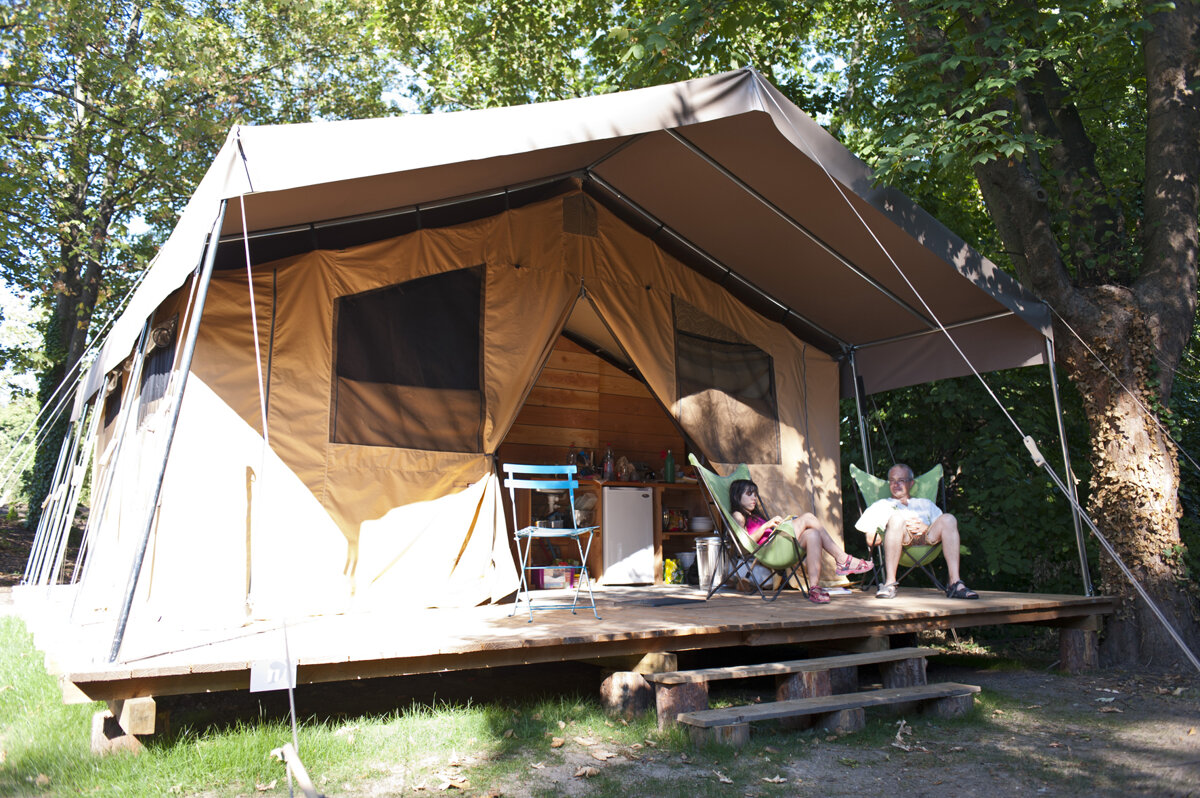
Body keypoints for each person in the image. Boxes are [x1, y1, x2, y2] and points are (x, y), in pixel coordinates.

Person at [729, 479, 872, 604]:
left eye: (755, 494)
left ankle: (814, 588)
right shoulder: (738, 515)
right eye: (749, 494)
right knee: (809, 517)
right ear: (737, 496)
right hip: (770, 552)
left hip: (778, 547)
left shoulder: (753, 515)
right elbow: (745, 545)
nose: (754, 498)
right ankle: (842, 559)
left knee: (813, 534)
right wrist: (767, 525)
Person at [861, 463, 978, 600]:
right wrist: (893, 527)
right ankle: (890, 583)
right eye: (892, 480)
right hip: (902, 543)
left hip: (928, 540)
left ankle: (955, 583)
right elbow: (870, 540)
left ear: (911, 483)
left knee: (949, 519)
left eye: (901, 480)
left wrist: (926, 528)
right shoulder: (880, 506)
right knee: (896, 519)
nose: (896, 484)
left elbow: (946, 528)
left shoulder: (925, 503)